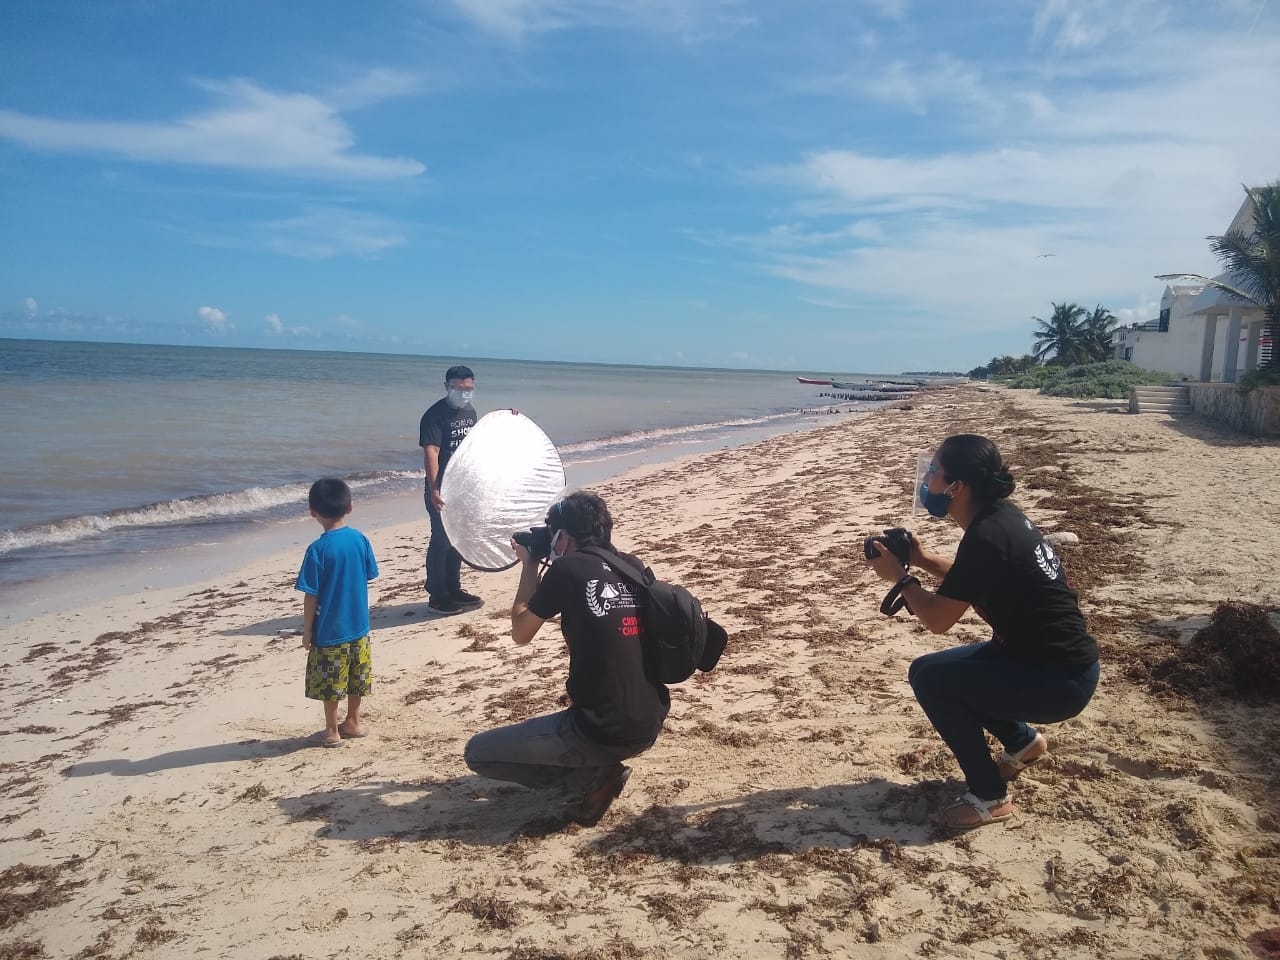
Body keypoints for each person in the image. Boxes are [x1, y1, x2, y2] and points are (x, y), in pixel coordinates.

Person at [866, 434, 1100, 829]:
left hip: (1058, 680)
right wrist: (921, 560)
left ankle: (989, 797)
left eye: (935, 472)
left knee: (938, 683)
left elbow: (939, 620)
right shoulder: (1000, 518)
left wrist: (900, 579)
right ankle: (1023, 741)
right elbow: (969, 579)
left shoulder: (988, 537)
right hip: (1044, 661)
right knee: (926, 669)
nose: (928, 481)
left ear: (957, 487)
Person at [463, 491, 669, 826]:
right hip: (649, 720)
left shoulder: (569, 570)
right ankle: (598, 769)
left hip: (600, 728)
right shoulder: (631, 565)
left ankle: (593, 780)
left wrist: (530, 565)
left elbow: (521, 631)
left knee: (478, 753)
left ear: (564, 537)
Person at [296, 477, 380, 747]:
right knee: (357, 677)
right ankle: (354, 721)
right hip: (359, 628)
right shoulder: (360, 540)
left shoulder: (317, 550)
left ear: (313, 511)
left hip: (330, 632)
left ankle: (332, 730)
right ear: (350, 507)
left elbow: (312, 595)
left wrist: (307, 630)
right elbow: (369, 575)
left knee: (331, 683)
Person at [420, 364, 479, 614]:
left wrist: (509, 418)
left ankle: (453, 588)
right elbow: (431, 452)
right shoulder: (434, 415)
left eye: (469, 389)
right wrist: (435, 489)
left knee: (457, 540)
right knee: (441, 541)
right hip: (441, 489)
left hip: (463, 489)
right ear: (447, 387)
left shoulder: (470, 412)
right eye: (459, 388)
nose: (465, 393)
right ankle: (437, 594)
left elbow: (477, 443)